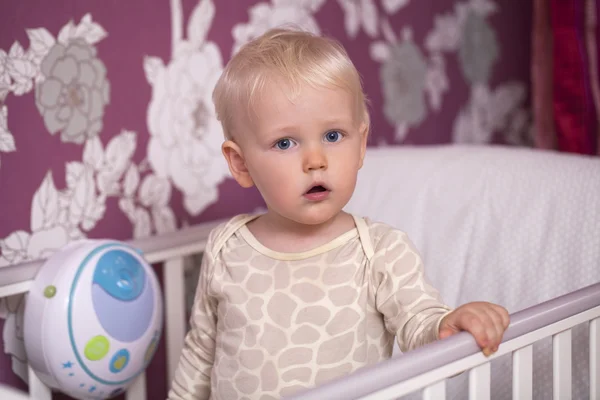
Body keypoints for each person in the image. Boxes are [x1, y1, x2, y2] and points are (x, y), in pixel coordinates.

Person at [168, 27, 509, 400]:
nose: (316, 161)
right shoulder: (227, 247)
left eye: (333, 136)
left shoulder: (378, 250)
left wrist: (446, 323)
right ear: (241, 162)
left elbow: (418, 322)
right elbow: (202, 352)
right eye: (285, 142)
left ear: (360, 145)